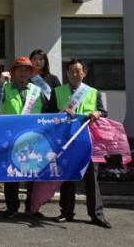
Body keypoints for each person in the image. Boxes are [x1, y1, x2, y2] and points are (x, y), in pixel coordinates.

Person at [45, 59, 111, 229]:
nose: (74, 74)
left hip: (89, 140)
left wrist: (97, 113)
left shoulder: (93, 92)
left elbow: (103, 112)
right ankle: (66, 212)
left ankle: (97, 215)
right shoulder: (57, 92)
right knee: (68, 177)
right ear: (67, 73)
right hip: (66, 140)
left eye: (78, 70)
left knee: (91, 179)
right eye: (71, 71)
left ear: (84, 73)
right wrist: (61, 113)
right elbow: (48, 114)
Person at [0, 57, 44, 218]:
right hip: (10, 137)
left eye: (27, 70)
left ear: (30, 73)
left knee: (32, 174)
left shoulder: (37, 90)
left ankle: (32, 208)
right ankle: (12, 207)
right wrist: (1, 84)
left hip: (32, 138)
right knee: (11, 173)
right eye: (20, 69)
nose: (23, 73)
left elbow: (44, 113)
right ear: (13, 72)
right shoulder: (5, 88)